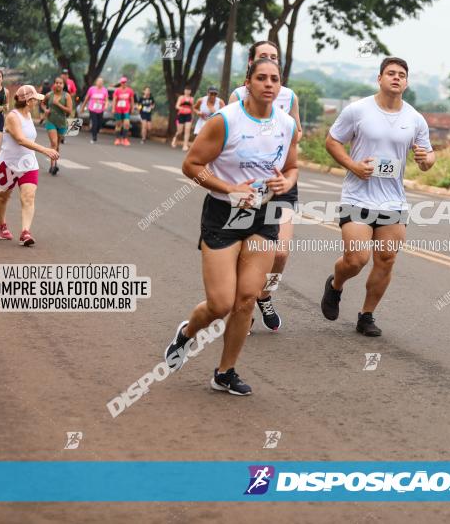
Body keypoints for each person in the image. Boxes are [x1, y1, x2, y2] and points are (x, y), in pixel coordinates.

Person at [163, 58, 298, 396]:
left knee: (246, 299)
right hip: (224, 214)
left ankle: (225, 372)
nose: (269, 84)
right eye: (261, 78)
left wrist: (286, 182)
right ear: (248, 82)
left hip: (262, 215)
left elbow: (293, 166)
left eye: (275, 79)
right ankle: (186, 334)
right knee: (221, 303)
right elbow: (191, 164)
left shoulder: (286, 123)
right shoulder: (225, 120)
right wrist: (229, 188)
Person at [321, 57, 435, 336]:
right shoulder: (357, 110)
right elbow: (332, 140)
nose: (396, 78)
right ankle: (335, 285)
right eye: (391, 73)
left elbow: (428, 157)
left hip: (393, 200)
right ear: (380, 79)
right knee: (356, 259)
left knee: (386, 259)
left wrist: (425, 159)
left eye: (402, 75)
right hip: (357, 196)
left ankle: (366, 315)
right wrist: (353, 166)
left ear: (406, 82)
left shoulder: (415, 119)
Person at [229, 40, 304, 331]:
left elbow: (297, 132)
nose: (269, 61)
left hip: (281, 183)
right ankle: (244, 305)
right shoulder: (237, 95)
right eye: (263, 57)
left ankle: (265, 295)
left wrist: (287, 134)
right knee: (246, 252)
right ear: (251, 63)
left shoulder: (289, 96)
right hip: (248, 185)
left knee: (281, 252)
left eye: (274, 58)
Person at [0, 85, 60, 246]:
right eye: (35, 99)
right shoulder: (12, 117)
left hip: (29, 163)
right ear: (28, 101)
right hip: (8, 164)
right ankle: (2, 225)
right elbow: (21, 140)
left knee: (28, 197)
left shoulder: (29, 115)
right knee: (3, 197)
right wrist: (45, 150)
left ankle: (25, 232)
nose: (37, 102)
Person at [41, 76, 73, 176]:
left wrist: (58, 104)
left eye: (61, 83)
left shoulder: (66, 96)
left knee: (57, 145)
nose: (58, 85)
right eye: (57, 83)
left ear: (63, 85)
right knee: (54, 143)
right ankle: (53, 166)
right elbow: (42, 103)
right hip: (50, 121)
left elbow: (69, 111)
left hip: (62, 123)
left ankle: (55, 162)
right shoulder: (49, 95)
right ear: (54, 84)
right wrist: (45, 110)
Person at [81, 77, 108, 144]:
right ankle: (94, 137)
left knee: (99, 123)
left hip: (100, 109)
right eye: (99, 82)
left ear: (103, 83)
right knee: (94, 123)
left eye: (101, 82)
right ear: (96, 82)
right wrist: (83, 107)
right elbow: (87, 98)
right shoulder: (92, 89)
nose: (100, 83)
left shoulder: (104, 90)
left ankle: (96, 131)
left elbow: (106, 100)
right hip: (92, 109)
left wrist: (106, 105)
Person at [112, 77, 134, 146]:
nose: (123, 83)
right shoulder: (117, 90)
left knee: (126, 124)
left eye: (124, 82)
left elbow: (132, 100)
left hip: (126, 110)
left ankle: (125, 139)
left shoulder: (130, 91)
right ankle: (117, 139)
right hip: (118, 109)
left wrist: (132, 108)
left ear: (126, 83)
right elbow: (114, 100)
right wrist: (113, 108)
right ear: (120, 83)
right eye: (122, 82)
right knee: (118, 124)